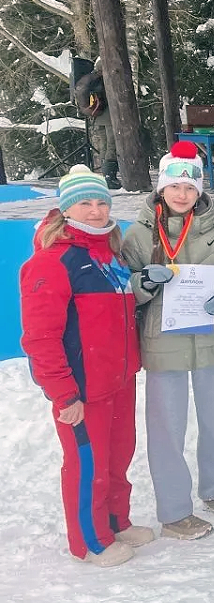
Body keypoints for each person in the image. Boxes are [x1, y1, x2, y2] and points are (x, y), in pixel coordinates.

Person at [20, 165, 152, 566]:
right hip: (82, 388)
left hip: (118, 379)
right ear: (66, 210)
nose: (95, 211)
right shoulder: (51, 263)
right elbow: (41, 338)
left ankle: (116, 520)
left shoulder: (108, 258)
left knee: (118, 456)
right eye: (84, 203)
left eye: (101, 203)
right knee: (86, 463)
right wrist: (63, 393)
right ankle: (90, 540)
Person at [122, 142, 214, 540]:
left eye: (190, 188)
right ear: (161, 188)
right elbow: (123, 289)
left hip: (213, 339)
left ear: (199, 191)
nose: (182, 195)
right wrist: (143, 283)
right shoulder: (139, 234)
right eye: (175, 187)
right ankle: (174, 512)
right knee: (167, 429)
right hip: (163, 343)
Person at [73, 64, 120, 190]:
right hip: (110, 116)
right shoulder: (107, 79)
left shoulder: (92, 79)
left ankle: (106, 176)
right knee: (112, 146)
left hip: (98, 116)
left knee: (104, 146)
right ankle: (110, 177)